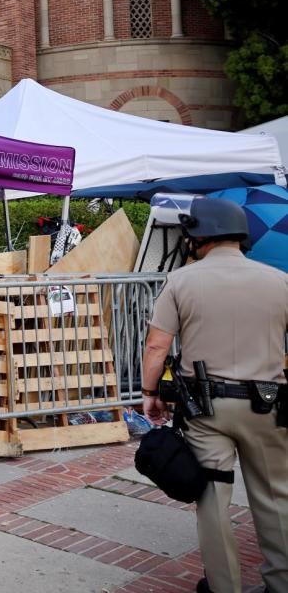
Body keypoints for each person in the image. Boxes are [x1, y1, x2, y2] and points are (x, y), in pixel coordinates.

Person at [140, 197, 288, 593]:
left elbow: (157, 346)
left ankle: (225, 587)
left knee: (213, 501)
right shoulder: (279, 281)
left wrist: (150, 392)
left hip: (206, 410)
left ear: (197, 235)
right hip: (270, 407)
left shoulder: (182, 281)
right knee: (276, 498)